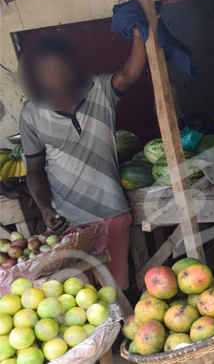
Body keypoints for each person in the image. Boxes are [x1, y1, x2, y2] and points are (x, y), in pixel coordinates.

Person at [19, 30, 147, 290]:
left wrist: (139, 36)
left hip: (111, 212)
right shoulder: (30, 115)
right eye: (46, 71)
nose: (55, 77)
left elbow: (129, 74)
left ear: (74, 68)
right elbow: (34, 169)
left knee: (115, 291)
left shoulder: (100, 91)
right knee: (79, 297)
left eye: (61, 69)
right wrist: (46, 209)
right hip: (68, 221)